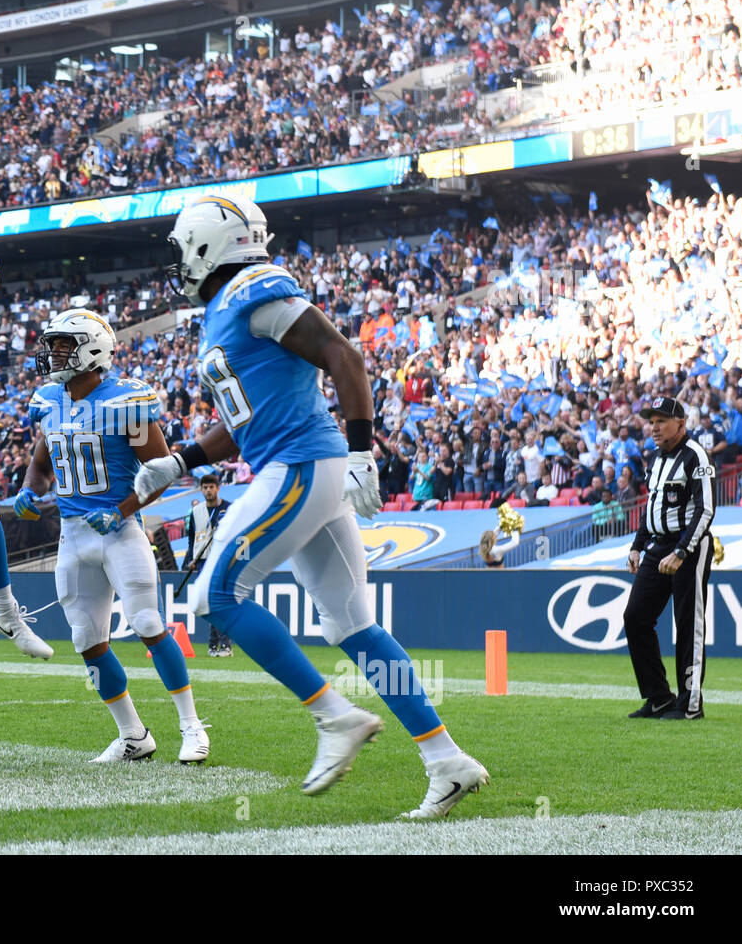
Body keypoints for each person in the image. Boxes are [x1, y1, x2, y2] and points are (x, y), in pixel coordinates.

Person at [134, 194, 486, 817]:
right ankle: (446, 759)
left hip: (301, 464)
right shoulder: (227, 307)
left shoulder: (252, 289)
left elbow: (343, 356)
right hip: (298, 463)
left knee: (215, 597)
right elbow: (247, 419)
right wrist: (180, 460)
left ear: (206, 243)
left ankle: (334, 718)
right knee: (351, 626)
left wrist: (362, 452)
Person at [15, 309, 210, 764]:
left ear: (92, 349)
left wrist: (120, 510)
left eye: (64, 344)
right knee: (86, 638)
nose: (54, 352)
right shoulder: (50, 401)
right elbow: (43, 461)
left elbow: (161, 473)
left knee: (147, 624)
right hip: (72, 535)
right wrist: (29, 488)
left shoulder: (126, 401)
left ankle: (192, 726)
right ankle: (133, 735)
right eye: (54, 343)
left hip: (120, 533)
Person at [623, 397, 715, 721]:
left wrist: (681, 551)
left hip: (688, 547)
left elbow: (705, 510)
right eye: (651, 421)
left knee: (688, 624)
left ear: (681, 422)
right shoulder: (656, 459)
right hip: (658, 546)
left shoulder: (696, 456)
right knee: (635, 616)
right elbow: (651, 509)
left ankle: (691, 704)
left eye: (661, 420)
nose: (654, 427)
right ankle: (659, 697)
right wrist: (637, 545)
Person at [183, 472, 232, 656]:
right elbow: (192, 537)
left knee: (220, 602)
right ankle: (213, 645)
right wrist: (191, 558)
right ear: (201, 489)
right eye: (205, 487)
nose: (209, 490)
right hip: (202, 561)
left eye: (212, 487)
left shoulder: (229, 508)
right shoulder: (196, 511)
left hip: (221, 560)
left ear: (217, 488)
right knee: (208, 604)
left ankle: (225, 645)